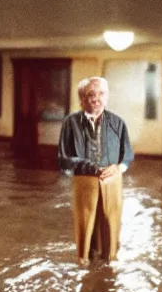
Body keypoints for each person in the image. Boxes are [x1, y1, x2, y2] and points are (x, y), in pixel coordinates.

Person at [57, 77, 134, 264]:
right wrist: (87, 166)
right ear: (81, 98)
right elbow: (63, 159)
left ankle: (109, 263)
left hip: (112, 181)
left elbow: (128, 155)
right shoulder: (70, 122)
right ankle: (84, 263)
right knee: (85, 227)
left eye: (101, 94)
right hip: (84, 181)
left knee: (110, 225)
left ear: (107, 97)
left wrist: (119, 168)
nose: (97, 99)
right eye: (91, 95)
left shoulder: (118, 123)